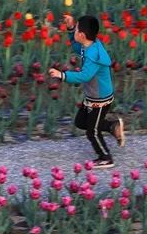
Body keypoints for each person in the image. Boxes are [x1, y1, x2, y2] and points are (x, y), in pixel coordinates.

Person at [49, 14, 124, 168]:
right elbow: (77, 47)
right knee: (81, 122)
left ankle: (105, 157)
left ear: (82, 35)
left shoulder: (93, 56)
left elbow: (85, 76)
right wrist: (70, 28)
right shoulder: (89, 45)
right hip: (93, 95)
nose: (75, 31)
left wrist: (62, 75)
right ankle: (112, 126)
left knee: (92, 131)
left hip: (100, 98)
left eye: (76, 29)